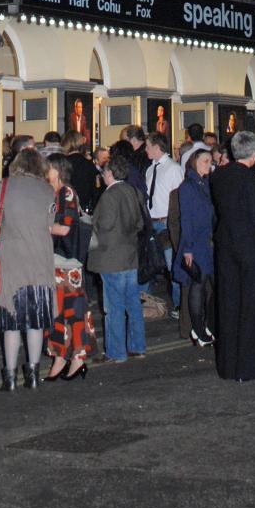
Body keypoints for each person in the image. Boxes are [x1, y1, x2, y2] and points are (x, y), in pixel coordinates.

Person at [0, 147, 56, 390]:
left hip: (12, 260)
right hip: (39, 259)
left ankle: (9, 378)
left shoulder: (4, 186)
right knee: (36, 320)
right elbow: (50, 224)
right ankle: (32, 374)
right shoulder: (47, 190)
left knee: (11, 322)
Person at [210, 130, 255, 383]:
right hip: (248, 246)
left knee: (229, 302)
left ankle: (228, 365)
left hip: (226, 243)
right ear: (254, 155)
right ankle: (249, 366)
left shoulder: (219, 176)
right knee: (251, 305)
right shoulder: (251, 179)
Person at [87, 149, 146, 363]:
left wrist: (91, 221)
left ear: (110, 173)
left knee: (113, 306)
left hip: (111, 257)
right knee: (133, 303)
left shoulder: (109, 195)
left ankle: (116, 352)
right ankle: (137, 346)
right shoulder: (132, 191)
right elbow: (140, 222)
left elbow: (105, 224)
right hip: (130, 254)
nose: (102, 175)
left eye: (104, 172)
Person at [44, 154, 95, 381]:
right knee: (57, 312)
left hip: (67, 262)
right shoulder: (54, 193)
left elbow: (65, 229)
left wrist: (40, 224)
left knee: (73, 311)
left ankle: (77, 356)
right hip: (55, 261)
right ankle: (60, 356)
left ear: (57, 170)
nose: (44, 171)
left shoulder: (67, 193)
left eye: (48, 168)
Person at [173, 147, 215, 347]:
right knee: (197, 285)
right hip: (195, 243)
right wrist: (188, 248)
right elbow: (187, 219)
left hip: (205, 241)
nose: (209, 165)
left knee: (204, 284)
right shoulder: (188, 187)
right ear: (195, 163)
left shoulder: (204, 183)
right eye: (205, 161)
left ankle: (203, 325)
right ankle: (197, 328)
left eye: (210, 161)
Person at [145, 131, 184, 312]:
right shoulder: (150, 169)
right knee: (151, 262)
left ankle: (178, 304)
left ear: (156, 147)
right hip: (151, 221)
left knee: (171, 264)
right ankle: (149, 301)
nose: (145, 149)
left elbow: (178, 198)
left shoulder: (173, 169)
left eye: (148, 146)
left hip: (166, 221)